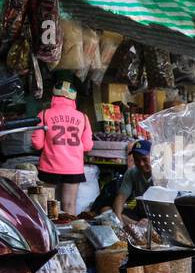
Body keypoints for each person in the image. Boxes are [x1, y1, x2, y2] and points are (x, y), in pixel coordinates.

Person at [32, 79, 93, 216]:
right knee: (69, 205)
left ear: (53, 96)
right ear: (74, 98)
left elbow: (37, 144)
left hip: (49, 166)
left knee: (48, 205)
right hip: (73, 168)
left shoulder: (44, 114)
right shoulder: (83, 117)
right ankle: (69, 235)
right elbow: (88, 146)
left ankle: (49, 236)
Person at [108, 139, 152, 220]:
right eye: (137, 160)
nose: (141, 164)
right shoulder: (132, 172)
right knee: (113, 212)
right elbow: (121, 197)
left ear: (153, 156)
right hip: (140, 213)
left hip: (158, 215)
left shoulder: (160, 175)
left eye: (145, 159)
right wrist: (118, 219)